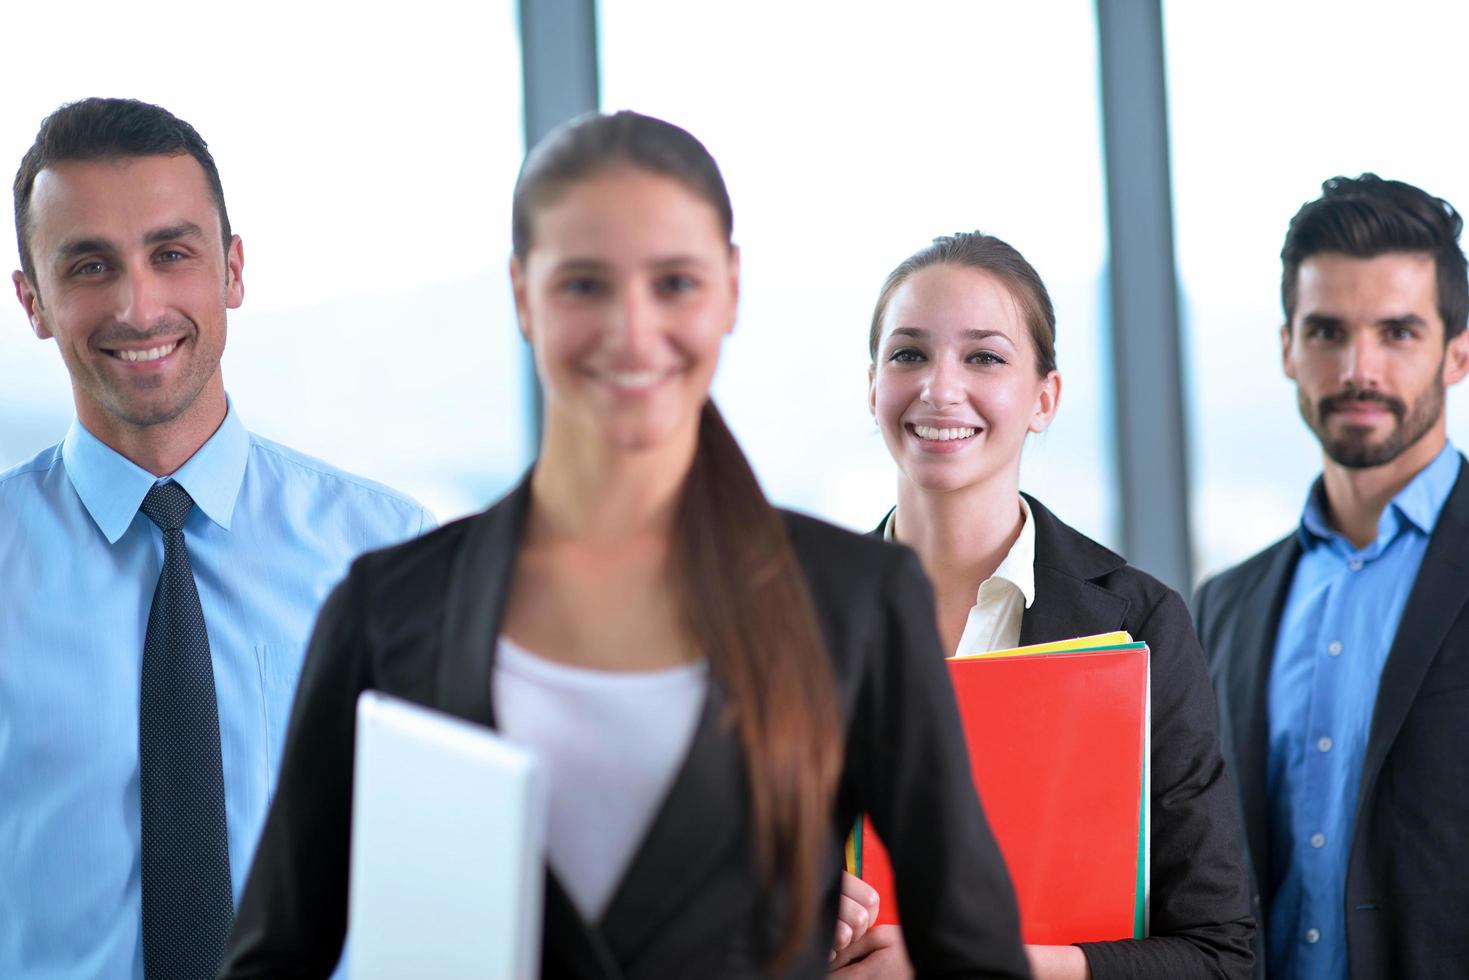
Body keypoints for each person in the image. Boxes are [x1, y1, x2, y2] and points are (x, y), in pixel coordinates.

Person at [218, 111, 1030, 979]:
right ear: (523, 295)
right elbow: (276, 959)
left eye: (673, 283)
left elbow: (972, 958)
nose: (632, 331)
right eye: (584, 286)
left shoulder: (852, 601)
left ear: (729, 289)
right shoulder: (390, 608)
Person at [0, 98, 432, 980]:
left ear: (231, 270)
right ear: (33, 301)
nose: (137, 305)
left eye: (171, 254)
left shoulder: (386, 557)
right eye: (89, 266)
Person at [831, 232, 1254, 980]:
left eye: (984, 357)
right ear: (872, 386)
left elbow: (1219, 956)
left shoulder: (1137, 627)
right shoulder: (793, 624)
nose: (938, 387)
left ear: (1043, 398)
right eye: (908, 354)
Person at [1194, 174, 1469, 980]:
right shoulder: (1225, 607)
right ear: (1286, 347)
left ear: (1456, 352)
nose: (1357, 368)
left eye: (1396, 333)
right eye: (1325, 332)